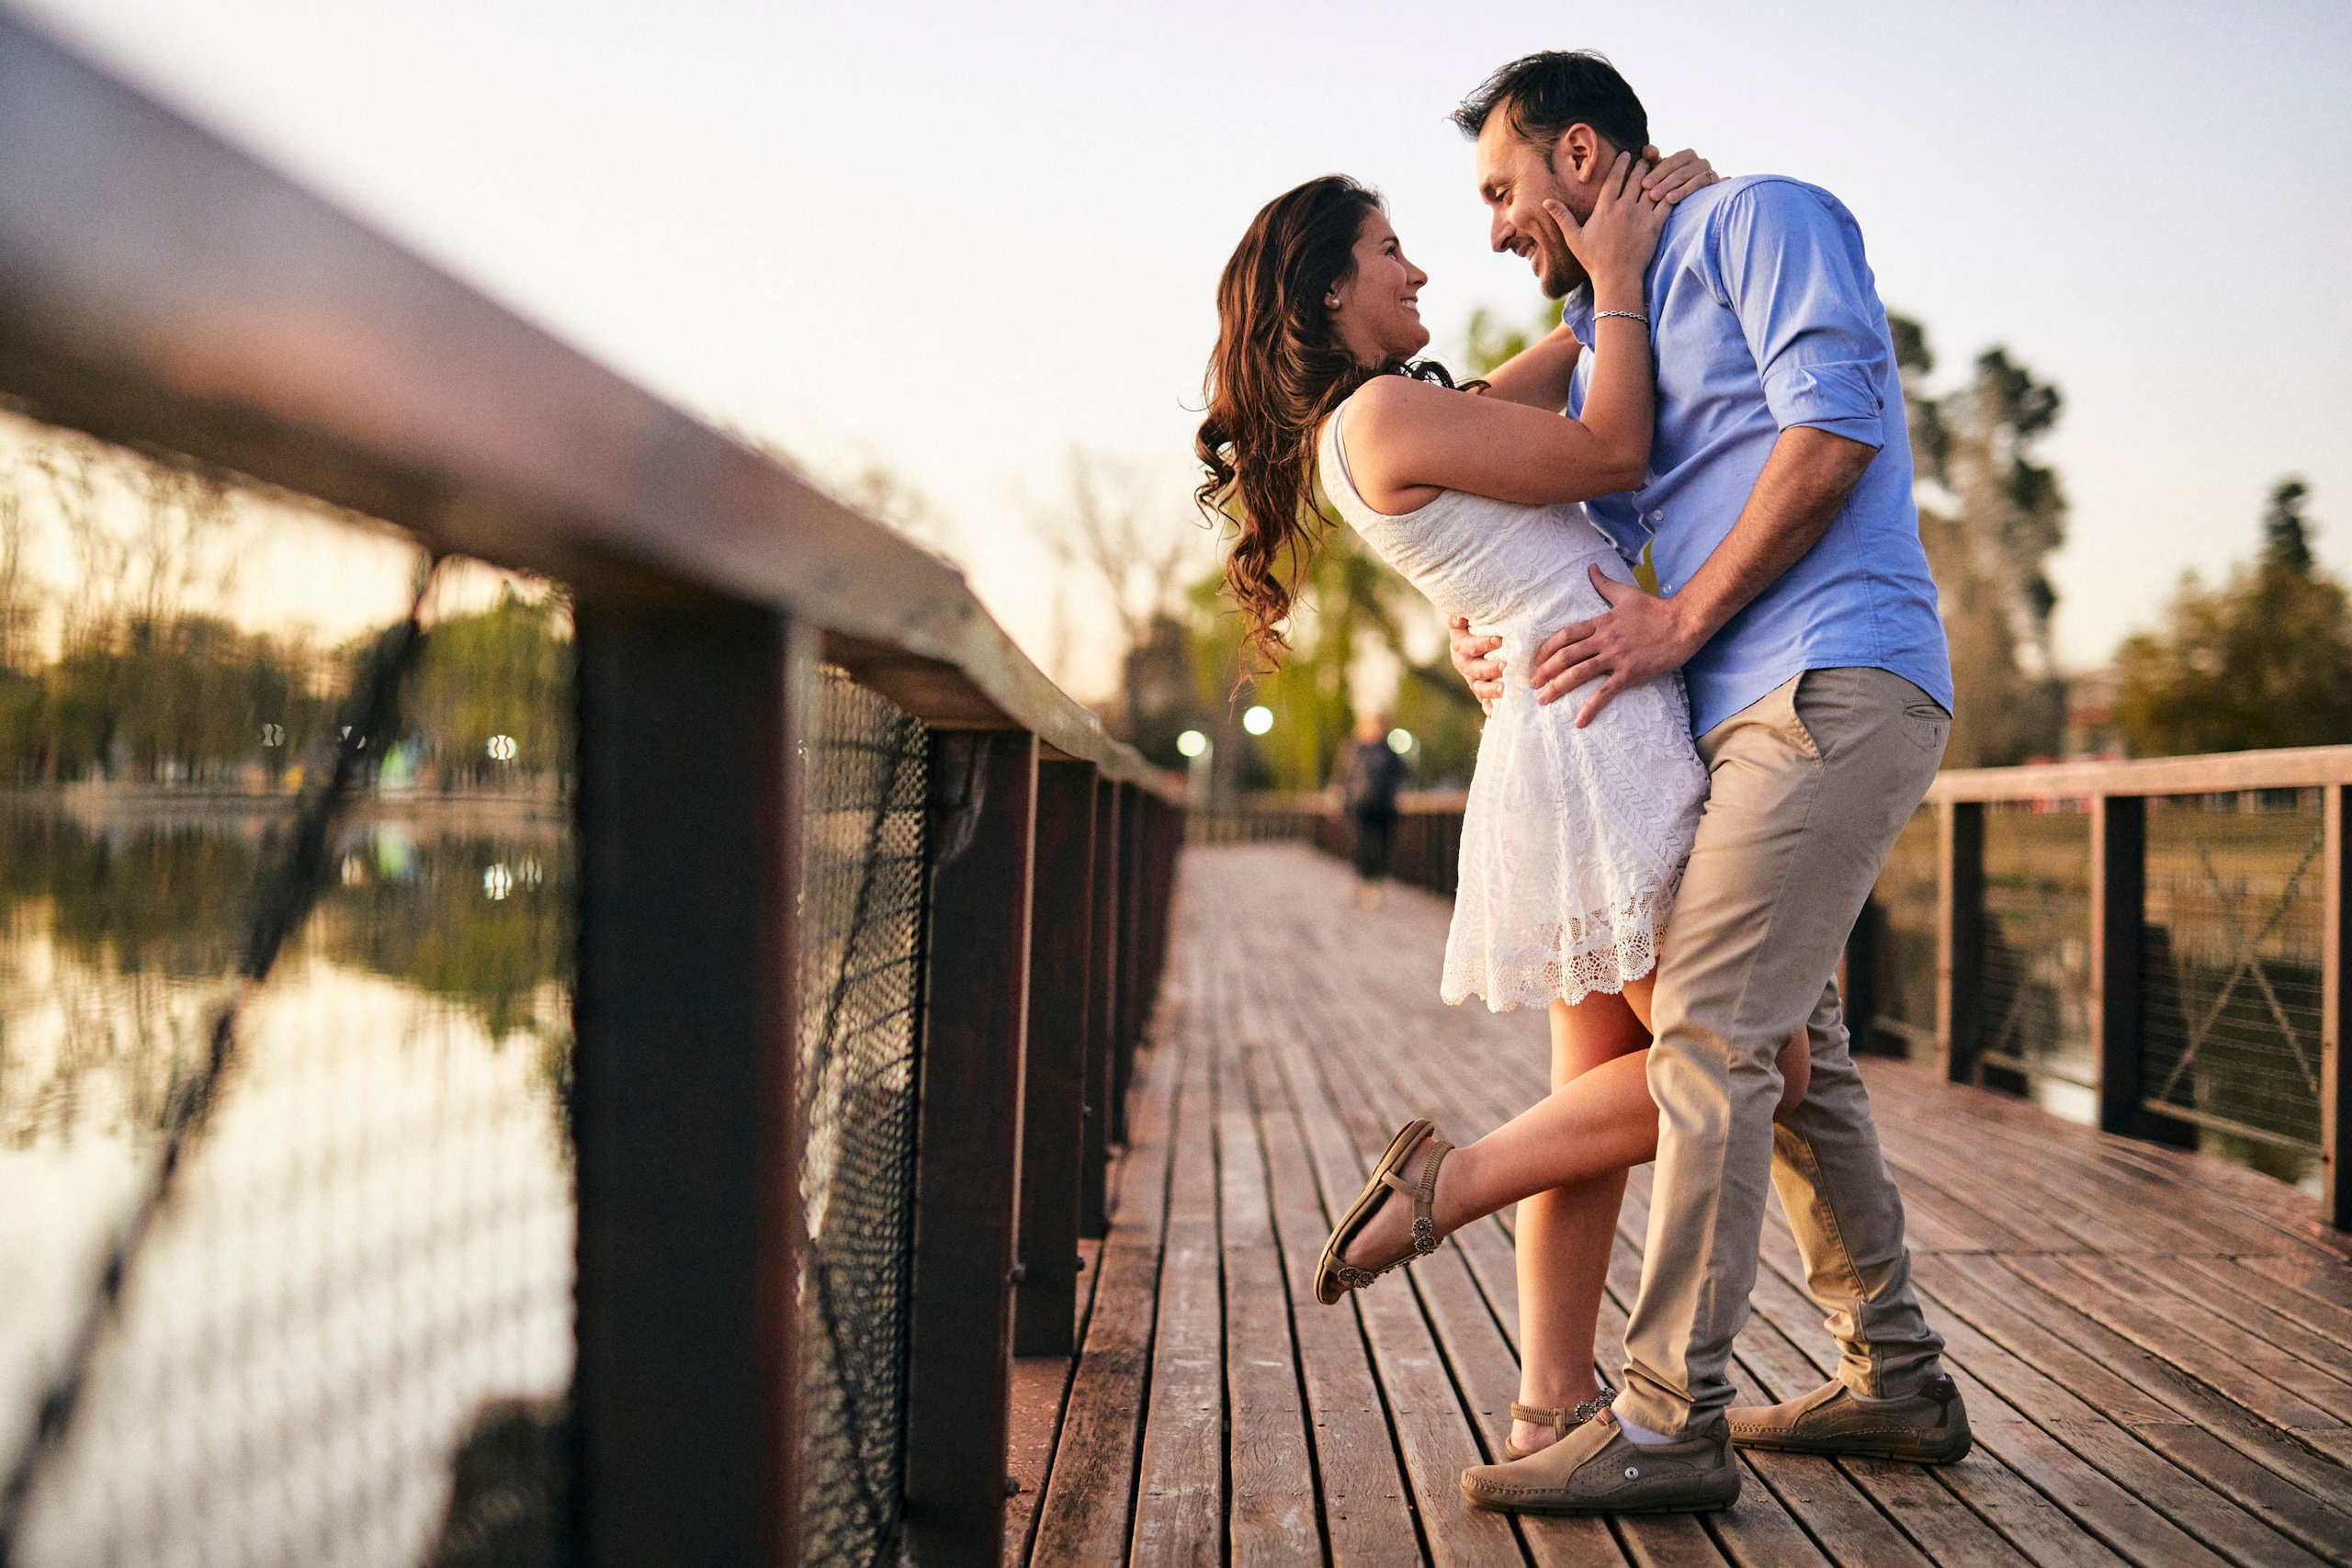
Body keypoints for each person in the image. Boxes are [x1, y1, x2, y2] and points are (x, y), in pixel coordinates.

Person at [1197, 140, 1820, 1513]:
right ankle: (1447, 1181)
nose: (1420, 268)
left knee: (1598, 1080)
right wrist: (1619, 279)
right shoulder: (1379, 419)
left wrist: (1617, 250)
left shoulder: (1400, 416)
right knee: (1753, 1055)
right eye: (1388, 251)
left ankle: (1549, 1399)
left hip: (1562, 729)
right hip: (1599, 738)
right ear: (1327, 288)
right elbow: (1612, 447)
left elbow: (1559, 363)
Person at [1441, 51, 1967, 1513]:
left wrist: (1678, 618)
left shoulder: (1762, 218)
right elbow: (1518, 492)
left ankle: (1669, 1417)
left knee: (1715, 1032)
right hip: (1726, 717)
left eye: (1502, 189)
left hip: (1830, 677)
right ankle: (1896, 1373)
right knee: (1799, 1050)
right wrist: (1477, 628)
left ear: (1582, 153)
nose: (1495, 227)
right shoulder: (1615, 322)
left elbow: (1835, 427)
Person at [1332, 710, 1408, 903]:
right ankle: (1364, 883)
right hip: (1360, 807)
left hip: (1383, 807)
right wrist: (1337, 797)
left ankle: (1374, 884)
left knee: (1382, 847)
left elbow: (1401, 775)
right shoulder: (1352, 749)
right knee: (1362, 846)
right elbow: (1341, 776)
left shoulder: (1389, 751)